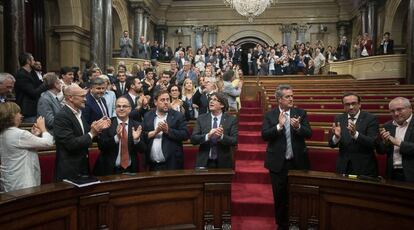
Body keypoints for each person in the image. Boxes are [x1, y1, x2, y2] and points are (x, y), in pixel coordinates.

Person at [261, 84, 312, 230]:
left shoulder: (301, 113)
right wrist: (279, 126)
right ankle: (282, 225)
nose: (291, 99)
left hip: (298, 162)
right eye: (287, 97)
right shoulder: (270, 115)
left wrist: (298, 127)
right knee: (280, 197)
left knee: (298, 195)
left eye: (292, 96)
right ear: (279, 99)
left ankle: (298, 223)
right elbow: (264, 135)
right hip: (278, 163)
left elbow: (309, 133)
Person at [54, 85, 110, 181]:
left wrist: (97, 128)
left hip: (82, 168)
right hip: (69, 171)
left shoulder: (80, 113)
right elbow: (71, 144)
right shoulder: (62, 116)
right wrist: (92, 133)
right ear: (71, 98)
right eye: (82, 96)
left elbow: (85, 135)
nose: (85, 99)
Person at [0, 102, 54, 192]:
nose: (21, 116)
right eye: (18, 113)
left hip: (10, 180)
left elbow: (21, 148)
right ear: (12, 116)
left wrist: (33, 135)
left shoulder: (3, 133)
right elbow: (48, 143)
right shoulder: (19, 134)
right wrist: (43, 128)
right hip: (23, 182)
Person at [93, 97, 147, 176]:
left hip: (130, 170)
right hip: (108, 170)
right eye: (118, 106)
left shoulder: (137, 125)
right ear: (115, 109)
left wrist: (136, 140)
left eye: (124, 106)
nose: (121, 108)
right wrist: (116, 138)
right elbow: (101, 146)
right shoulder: (107, 124)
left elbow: (143, 149)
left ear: (130, 109)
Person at [329, 92, 379, 176]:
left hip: (364, 167)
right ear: (344, 106)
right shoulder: (339, 118)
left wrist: (355, 134)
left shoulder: (370, 118)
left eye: (353, 104)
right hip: (343, 166)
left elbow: (373, 143)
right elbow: (331, 144)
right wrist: (336, 137)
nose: (351, 107)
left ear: (359, 104)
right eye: (347, 104)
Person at [142, 90, 189, 171]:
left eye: (168, 99)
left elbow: (185, 135)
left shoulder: (178, 116)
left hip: (172, 164)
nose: (166, 102)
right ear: (155, 102)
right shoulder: (148, 116)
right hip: (152, 165)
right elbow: (142, 135)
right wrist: (154, 133)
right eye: (162, 100)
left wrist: (168, 131)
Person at [191, 92, 238, 168]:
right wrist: (207, 136)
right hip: (203, 162)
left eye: (215, 99)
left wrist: (222, 136)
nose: (211, 101)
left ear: (222, 105)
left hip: (224, 163)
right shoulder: (201, 118)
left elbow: (235, 140)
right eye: (210, 99)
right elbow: (193, 139)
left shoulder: (231, 120)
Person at [378, 97, 414, 182]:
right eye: (392, 111)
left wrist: (398, 142)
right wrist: (384, 142)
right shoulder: (387, 125)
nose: (396, 113)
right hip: (393, 173)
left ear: (410, 108)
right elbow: (382, 151)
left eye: (399, 109)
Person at [14, 52, 48, 122]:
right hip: (28, 111)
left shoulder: (32, 73)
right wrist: (46, 83)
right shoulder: (21, 75)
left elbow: (38, 86)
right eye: (33, 60)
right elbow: (33, 92)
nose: (34, 62)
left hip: (35, 109)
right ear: (28, 61)